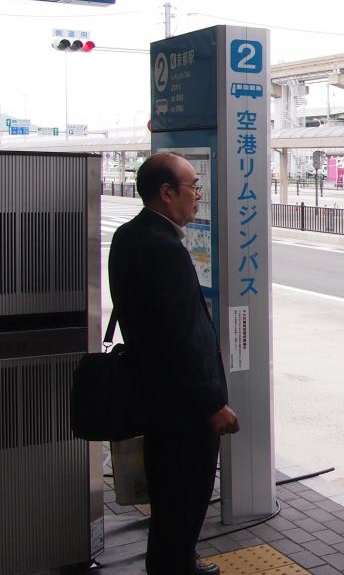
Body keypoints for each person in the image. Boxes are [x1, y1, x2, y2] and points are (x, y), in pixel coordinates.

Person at [108, 152, 240, 575]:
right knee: (184, 499)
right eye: (193, 187)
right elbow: (179, 338)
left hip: (156, 398)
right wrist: (212, 403)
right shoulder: (164, 248)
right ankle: (177, 566)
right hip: (183, 410)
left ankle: (174, 561)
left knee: (169, 501)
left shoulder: (129, 236)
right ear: (166, 193)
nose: (198, 196)